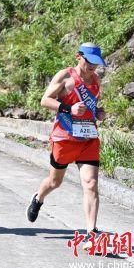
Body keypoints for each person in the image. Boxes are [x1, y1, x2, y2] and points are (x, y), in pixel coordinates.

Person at [26, 43, 107, 247]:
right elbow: (45, 100)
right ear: (78, 57)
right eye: (89, 62)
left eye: (96, 64)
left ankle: (91, 233)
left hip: (88, 137)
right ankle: (38, 197)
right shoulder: (65, 76)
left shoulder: (96, 80)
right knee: (55, 182)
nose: (92, 68)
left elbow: (92, 106)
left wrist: (98, 113)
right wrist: (69, 108)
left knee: (90, 183)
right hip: (64, 136)